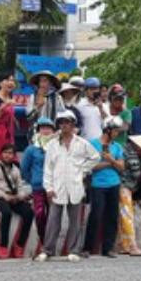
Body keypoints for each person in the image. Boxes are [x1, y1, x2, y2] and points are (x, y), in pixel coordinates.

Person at [38, 111, 98, 262]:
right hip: (57, 186)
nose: (64, 125)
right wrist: (48, 187)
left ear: (73, 125)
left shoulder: (82, 143)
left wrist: (83, 170)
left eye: (67, 122)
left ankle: (74, 250)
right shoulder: (52, 144)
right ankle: (48, 250)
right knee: (53, 220)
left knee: (75, 221)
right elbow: (48, 168)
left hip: (75, 185)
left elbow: (95, 157)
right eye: (61, 122)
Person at [81, 118, 125, 258]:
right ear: (107, 130)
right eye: (115, 130)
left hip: (114, 183)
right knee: (96, 215)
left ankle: (108, 248)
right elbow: (91, 167)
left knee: (112, 216)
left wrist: (110, 160)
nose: (117, 133)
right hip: (98, 185)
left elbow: (122, 167)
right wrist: (110, 163)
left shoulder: (117, 146)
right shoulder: (93, 144)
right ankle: (87, 247)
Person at [0, 143, 35, 259]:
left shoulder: (15, 169)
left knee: (29, 213)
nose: (8, 156)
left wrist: (19, 196)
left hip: (14, 196)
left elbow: (20, 185)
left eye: (10, 153)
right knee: (6, 213)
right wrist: (4, 196)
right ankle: (3, 246)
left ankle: (19, 244)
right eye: (5, 153)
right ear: (1, 154)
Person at [20, 117, 55, 250]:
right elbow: (24, 169)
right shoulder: (31, 149)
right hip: (38, 187)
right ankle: (44, 241)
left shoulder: (57, 146)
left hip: (53, 187)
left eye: (48, 128)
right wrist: (33, 179)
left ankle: (51, 242)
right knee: (39, 215)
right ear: (38, 130)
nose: (45, 131)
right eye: (42, 128)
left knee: (54, 216)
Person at [75, 77, 106, 141]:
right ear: (86, 91)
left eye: (96, 89)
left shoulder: (103, 105)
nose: (94, 91)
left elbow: (106, 122)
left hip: (99, 142)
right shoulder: (79, 105)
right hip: (84, 141)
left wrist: (100, 108)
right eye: (91, 89)